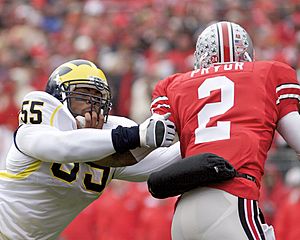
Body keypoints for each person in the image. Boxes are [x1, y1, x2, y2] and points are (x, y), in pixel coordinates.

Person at [149, 21, 300, 240]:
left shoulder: (172, 85)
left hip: (183, 211)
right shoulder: (269, 73)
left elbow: (156, 146)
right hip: (232, 200)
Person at [0, 59, 180, 240]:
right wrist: (136, 135)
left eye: (97, 96)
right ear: (58, 97)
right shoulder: (32, 131)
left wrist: (200, 134)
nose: (91, 103)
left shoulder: (108, 145)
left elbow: (159, 165)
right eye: (82, 94)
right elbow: (63, 147)